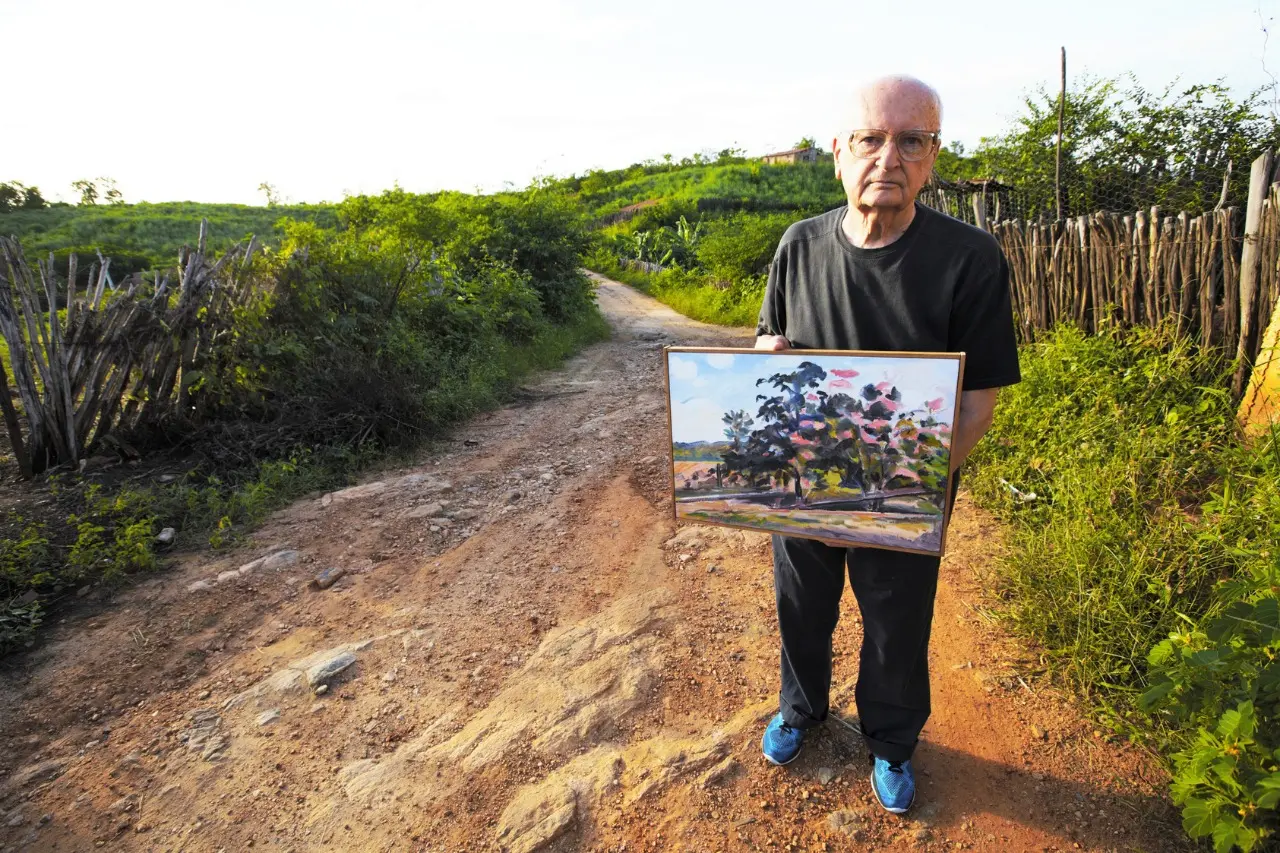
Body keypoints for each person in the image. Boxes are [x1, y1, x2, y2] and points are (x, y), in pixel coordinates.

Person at [754, 75, 1022, 814]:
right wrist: (765, 353)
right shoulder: (799, 245)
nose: (888, 157)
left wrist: (914, 481)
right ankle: (800, 711)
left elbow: (976, 401)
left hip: (906, 485)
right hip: (802, 480)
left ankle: (893, 742)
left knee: (897, 622)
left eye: (912, 140)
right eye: (870, 138)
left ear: (933, 156)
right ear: (838, 152)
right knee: (801, 604)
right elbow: (765, 339)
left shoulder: (970, 258)